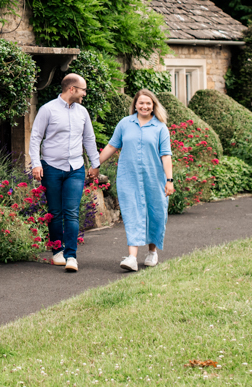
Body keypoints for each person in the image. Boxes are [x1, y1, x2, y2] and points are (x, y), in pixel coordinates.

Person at [29, 73, 100, 272]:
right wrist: (36, 164)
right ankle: (57, 251)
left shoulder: (82, 112)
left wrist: (95, 164)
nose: (85, 93)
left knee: (71, 212)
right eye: (83, 89)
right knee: (55, 212)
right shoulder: (48, 110)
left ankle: (71, 256)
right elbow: (35, 138)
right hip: (51, 167)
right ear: (72, 89)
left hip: (75, 168)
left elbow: (89, 139)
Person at [98, 89, 174, 272]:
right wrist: (95, 165)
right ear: (135, 105)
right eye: (141, 103)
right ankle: (132, 257)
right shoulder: (125, 124)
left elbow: (166, 156)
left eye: (148, 103)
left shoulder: (160, 128)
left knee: (155, 213)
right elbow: (111, 146)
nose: (145, 106)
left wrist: (169, 180)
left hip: (154, 179)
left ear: (153, 105)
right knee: (132, 213)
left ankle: (152, 252)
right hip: (129, 178)